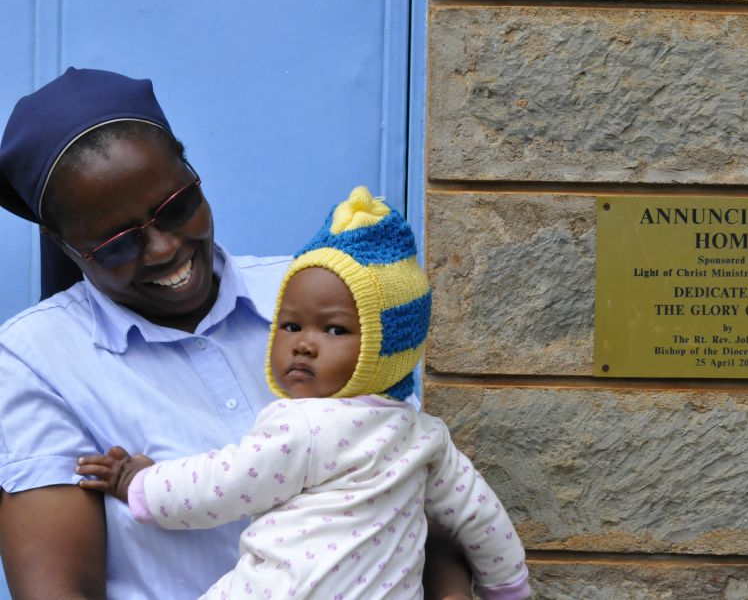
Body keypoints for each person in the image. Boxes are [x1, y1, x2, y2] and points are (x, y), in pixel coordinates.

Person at [0, 68, 476, 599]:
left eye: (176, 208)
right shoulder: (38, 358)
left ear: (192, 172)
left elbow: (416, 493)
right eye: (116, 244)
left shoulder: (315, 294)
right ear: (65, 246)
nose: (163, 249)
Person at [78, 186, 530, 599]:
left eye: (334, 329)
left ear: (385, 348)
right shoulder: (424, 436)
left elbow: (221, 485)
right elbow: (483, 519)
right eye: (291, 325)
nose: (304, 343)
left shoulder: (305, 426)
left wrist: (137, 483)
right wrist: (507, 590)